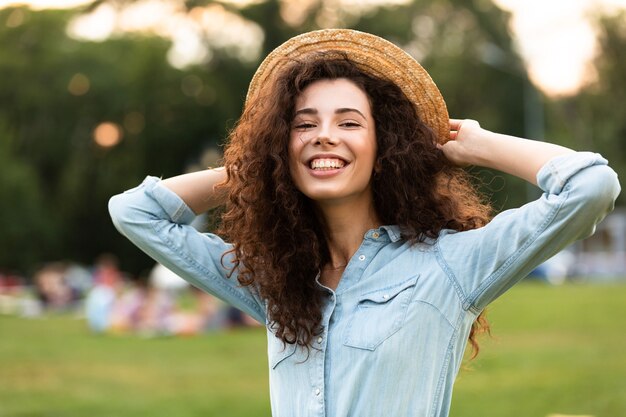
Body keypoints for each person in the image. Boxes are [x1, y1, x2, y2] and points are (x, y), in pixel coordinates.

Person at [108, 29, 620, 417]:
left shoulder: (451, 264)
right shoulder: (275, 281)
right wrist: (259, 166)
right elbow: (135, 212)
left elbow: (591, 186)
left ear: (385, 149)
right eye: (304, 124)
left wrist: (479, 146)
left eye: (349, 123)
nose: (323, 136)